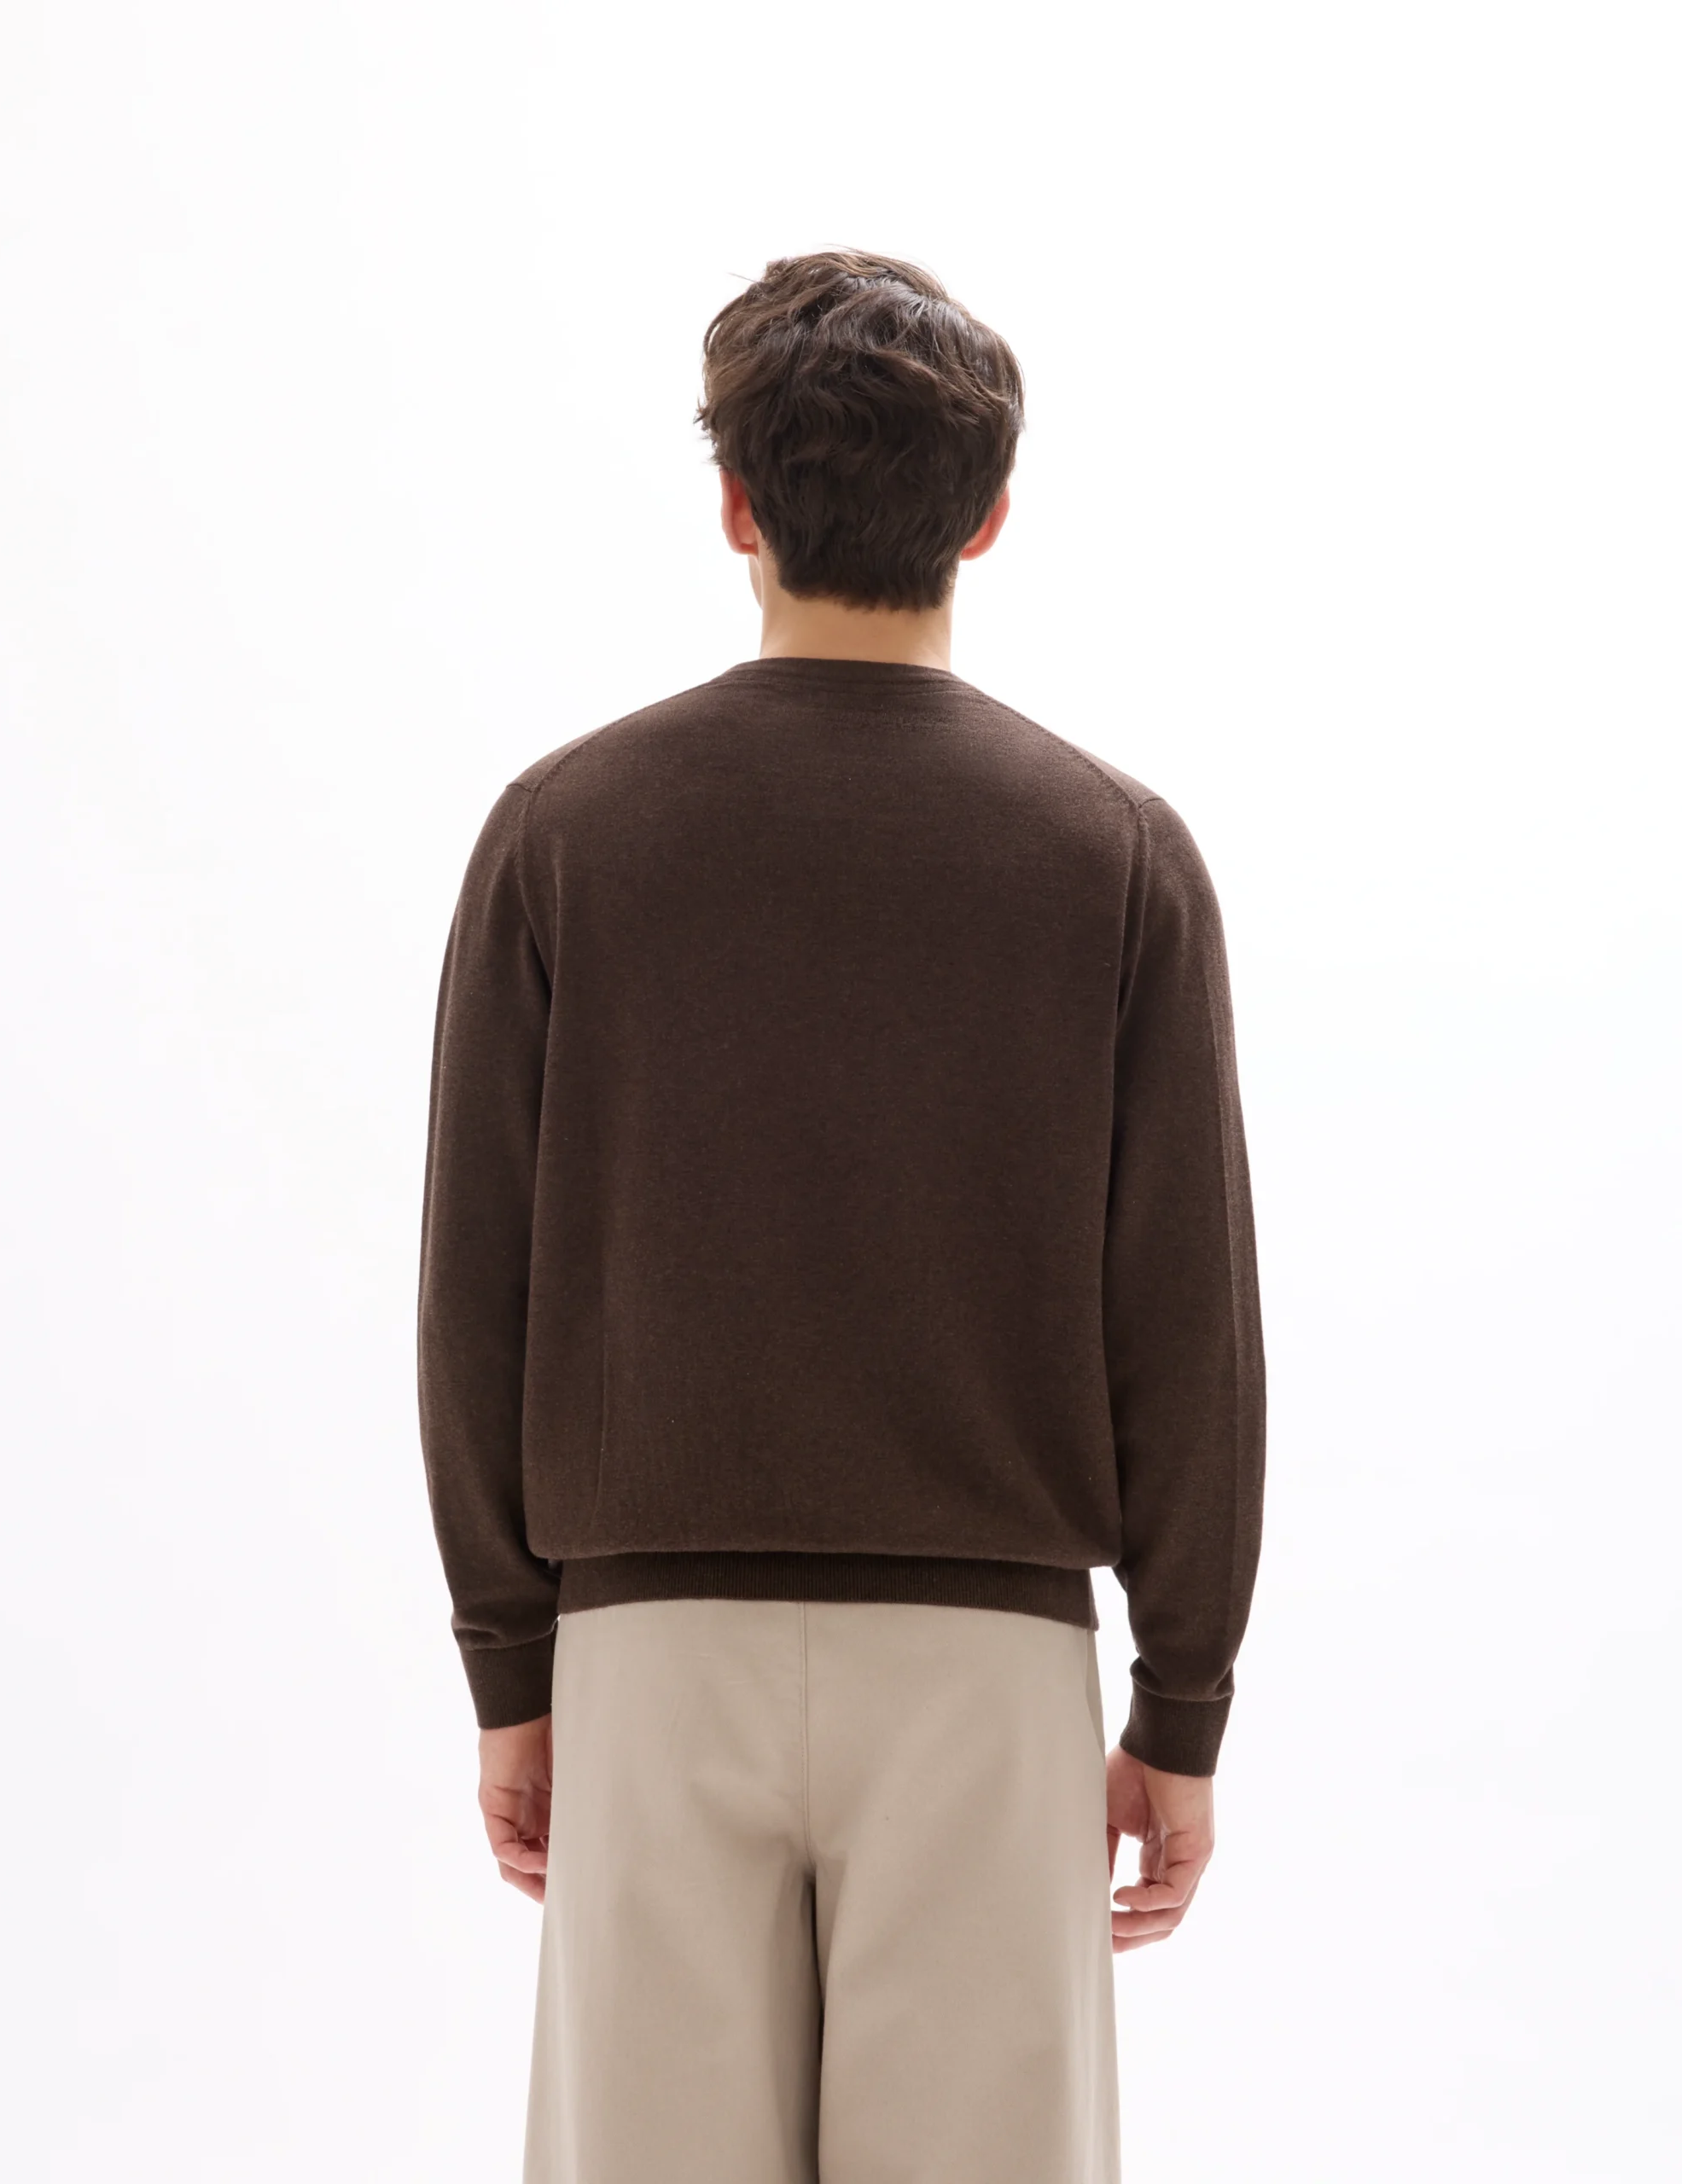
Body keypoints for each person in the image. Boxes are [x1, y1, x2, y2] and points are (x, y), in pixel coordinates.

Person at [416, 249, 1266, 2183]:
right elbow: (1187, 1321)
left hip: (653, 1650)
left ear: (735, 504)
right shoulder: (1119, 856)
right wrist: (1182, 1702)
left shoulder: (563, 831)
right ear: (988, 515)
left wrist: (511, 1671)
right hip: (985, 1671)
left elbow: (475, 1288)